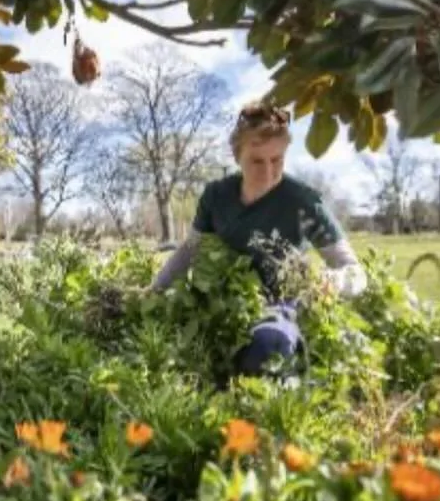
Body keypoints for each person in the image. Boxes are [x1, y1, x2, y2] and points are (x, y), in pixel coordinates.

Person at [148, 103, 366, 376]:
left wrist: (333, 281)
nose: (267, 172)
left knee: (266, 348)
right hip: (221, 304)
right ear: (237, 156)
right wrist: (153, 292)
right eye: (257, 161)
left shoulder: (303, 204)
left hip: (281, 306)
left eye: (277, 160)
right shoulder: (217, 197)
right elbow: (190, 250)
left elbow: (356, 272)